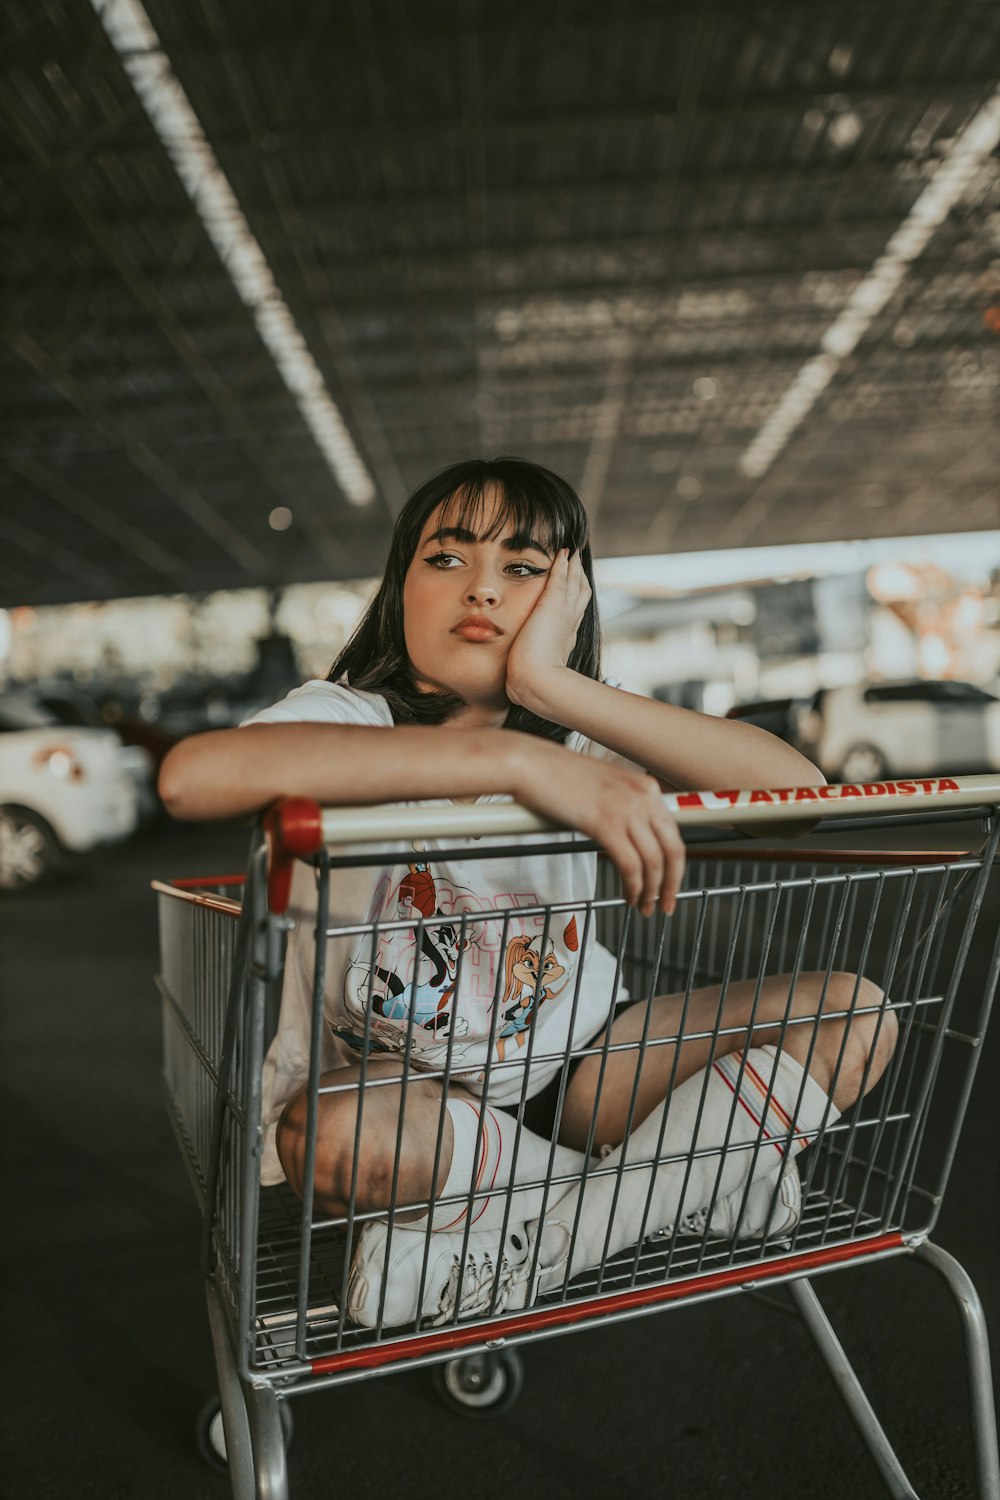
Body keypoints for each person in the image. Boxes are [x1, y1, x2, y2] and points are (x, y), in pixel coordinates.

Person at [159, 456, 897, 1328]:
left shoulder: (583, 735)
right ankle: (669, 1182)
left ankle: (540, 1242)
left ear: (568, 599)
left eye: (521, 568)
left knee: (856, 1018)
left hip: (581, 1065)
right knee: (332, 1142)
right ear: (401, 589)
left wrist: (550, 690)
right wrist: (508, 758)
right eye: (447, 559)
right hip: (404, 1087)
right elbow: (190, 778)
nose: (481, 590)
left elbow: (804, 798)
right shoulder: (348, 716)